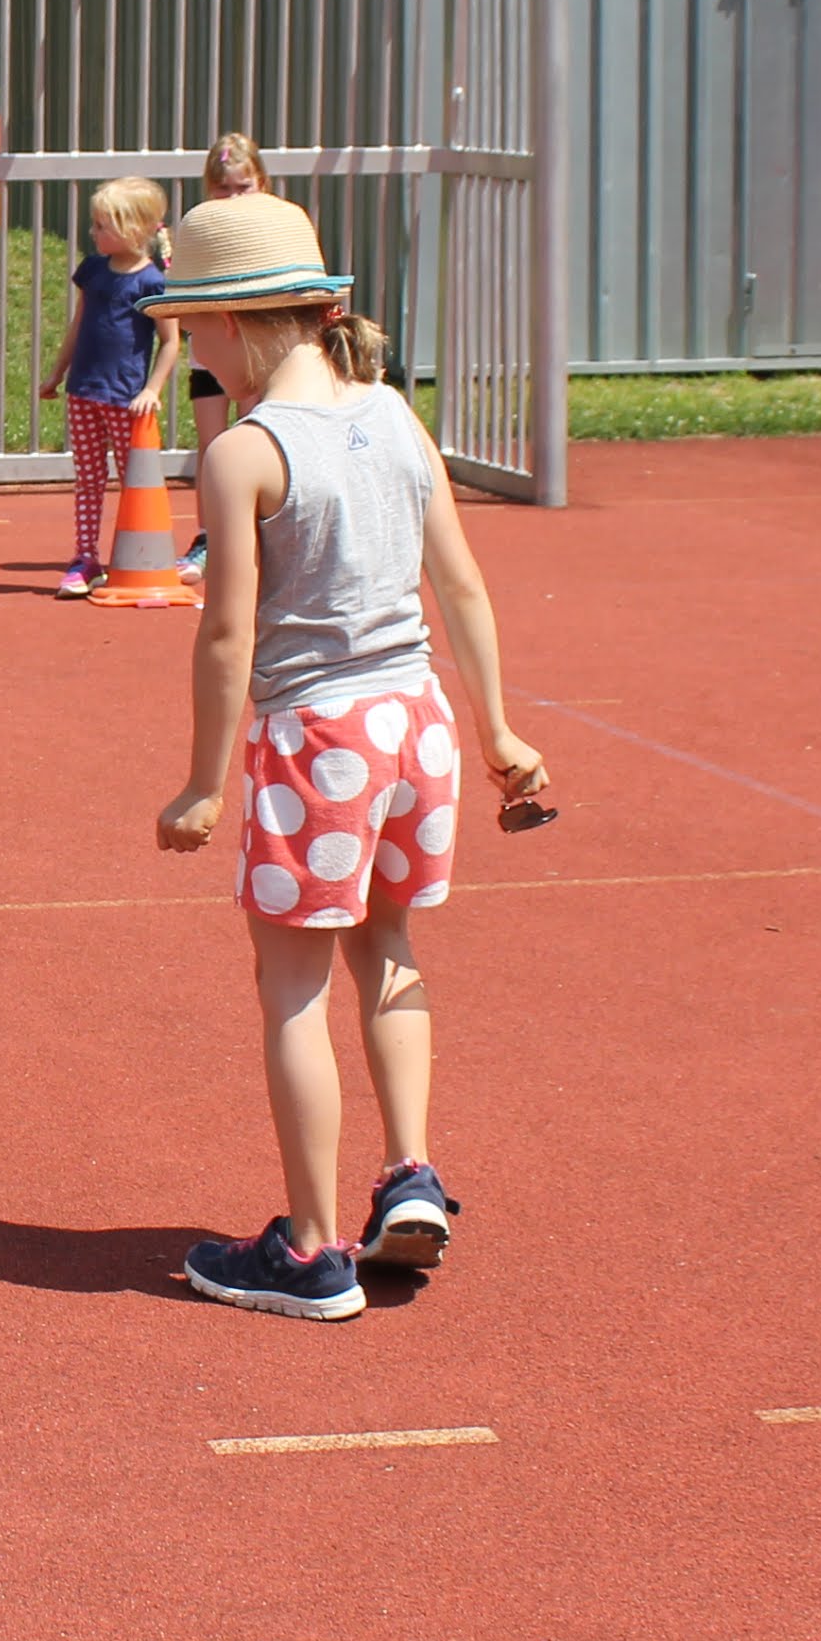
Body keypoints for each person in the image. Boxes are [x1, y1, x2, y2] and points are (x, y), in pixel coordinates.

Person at [145, 191, 549, 1322]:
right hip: (415, 721)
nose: (192, 351)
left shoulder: (244, 451)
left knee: (290, 988)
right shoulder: (390, 413)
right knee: (389, 946)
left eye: (194, 328)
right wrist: (498, 726)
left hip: (318, 737)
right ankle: (408, 1170)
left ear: (236, 325)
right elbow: (458, 581)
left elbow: (226, 634)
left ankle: (312, 1247)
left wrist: (203, 782)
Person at [44, 177, 176, 595]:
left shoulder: (152, 282)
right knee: (88, 478)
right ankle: (85, 558)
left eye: (102, 225)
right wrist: (57, 373)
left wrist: (151, 389)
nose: (93, 232)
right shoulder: (93, 271)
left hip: (126, 399)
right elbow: (78, 325)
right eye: (95, 224)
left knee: (135, 480)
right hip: (83, 391)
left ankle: (138, 554)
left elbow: (171, 342)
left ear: (134, 229)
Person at [179, 133, 272, 578]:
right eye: (223, 189)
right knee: (212, 443)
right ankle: (208, 535)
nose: (233, 197)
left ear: (261, 184)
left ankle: (256, 532)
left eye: (243, 187)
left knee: (256, 436)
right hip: (212, 351)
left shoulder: (274, 227)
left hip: (254, 350)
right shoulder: (201, 229)